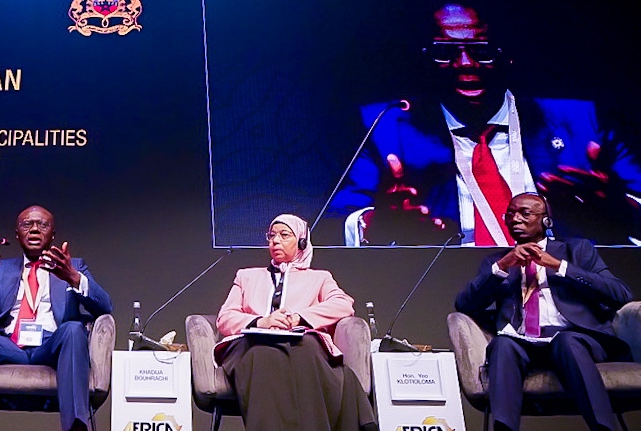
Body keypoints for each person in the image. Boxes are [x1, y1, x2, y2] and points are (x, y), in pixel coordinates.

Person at [333, 2, 641, 247]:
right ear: (425, 59)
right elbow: (339, 220)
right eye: (445, 53)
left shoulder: (581, 121)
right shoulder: (388, 126)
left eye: (482, 50)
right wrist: (377, 222)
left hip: (560, 283)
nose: (465, 63)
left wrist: (620, 210)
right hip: (445, 286)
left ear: (507, 56)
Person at [454, 193, 632, 431]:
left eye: (524, 214)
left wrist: (559, 267)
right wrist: (502, 267)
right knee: (502, 344)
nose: (515, 219)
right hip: (522, 343)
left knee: (566, 342)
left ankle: (604, 427)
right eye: (511, 214)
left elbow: (620, 294)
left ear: (546, 221)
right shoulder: (496, 262)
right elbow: (465, 305)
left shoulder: (576, 250)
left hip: (574, 338)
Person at [0, 205, 112, 431]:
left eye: (43, 225)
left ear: (53, 234)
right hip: (8, 345)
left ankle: (76, 427)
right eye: (28, 224)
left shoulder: (74, 266)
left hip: (52, 346)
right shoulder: (1, 269)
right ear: (17, 234)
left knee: (74, 329)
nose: (35, 229)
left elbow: (104, 306)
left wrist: (74, 279)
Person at [214, 214, 377, 431]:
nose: (275, 241)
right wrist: (262, 322)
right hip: (251, 344)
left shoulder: (319, 278)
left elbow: (343, 304)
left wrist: (300, 318)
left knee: (307, 347)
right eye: (272, 236)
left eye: (284, 235)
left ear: (301, 242)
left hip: (299, 343)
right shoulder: (246, 277)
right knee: (260, 353)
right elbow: (225, 317)